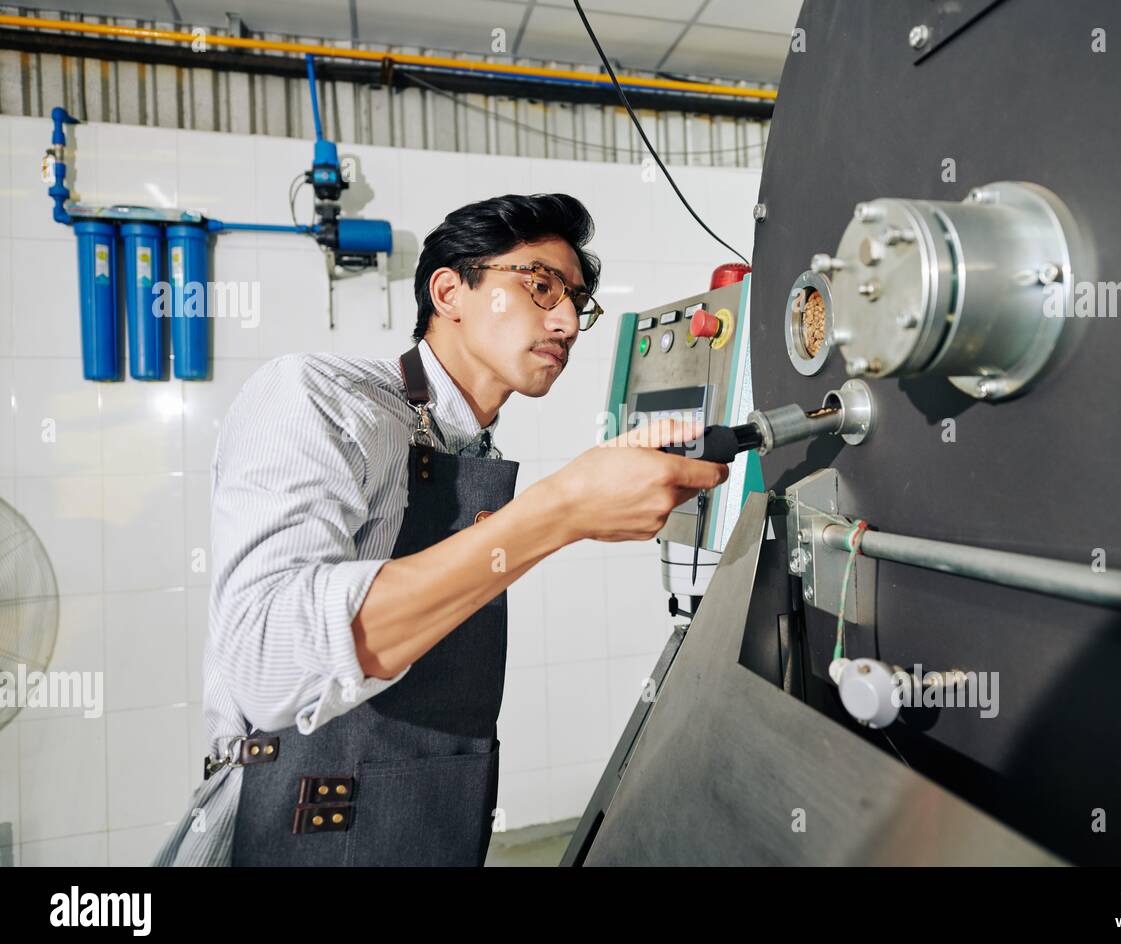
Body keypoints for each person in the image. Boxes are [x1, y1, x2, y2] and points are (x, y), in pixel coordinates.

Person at [153, 193, 726, 866]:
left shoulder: (468, 449)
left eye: (577, 301)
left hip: (420, 828)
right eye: (541, 286)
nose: (567, 320)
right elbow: (270, 663)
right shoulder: (320, 397)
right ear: (450, 291)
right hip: (284, 832)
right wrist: (561, 509)